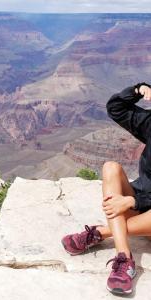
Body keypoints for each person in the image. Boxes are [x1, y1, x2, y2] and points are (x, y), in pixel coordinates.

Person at [61, 82, 151, 295]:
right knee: (111, 167)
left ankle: (102, 232)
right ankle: (124, 259)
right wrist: (138, 90)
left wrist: (134, 202)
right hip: (141, 205)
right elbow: (116, 109)